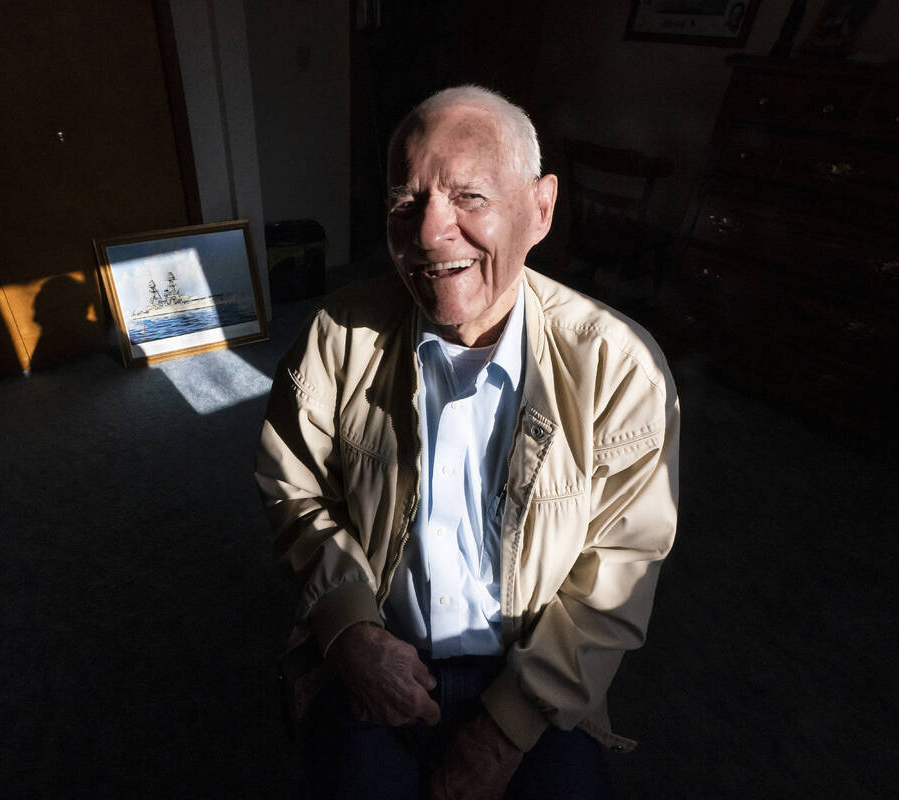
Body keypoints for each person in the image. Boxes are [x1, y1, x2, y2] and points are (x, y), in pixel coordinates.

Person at [256, 85, 679, 799]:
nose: (427, 234)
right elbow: (293, 488)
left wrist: (507, 729)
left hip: (539, 673)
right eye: (405, 203)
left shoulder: (620, 369)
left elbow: (620, 568)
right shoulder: (335, 336)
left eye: (470, 197)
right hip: (377, 647)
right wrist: (349, 630)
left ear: (540, 209)